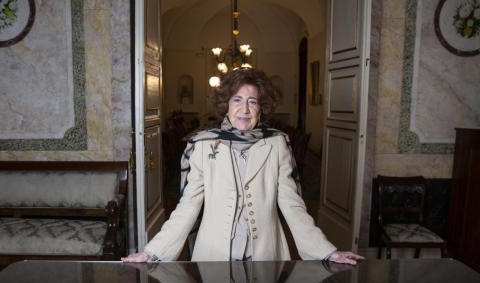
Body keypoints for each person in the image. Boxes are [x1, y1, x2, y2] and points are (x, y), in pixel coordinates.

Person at [122, 68, 364, 265]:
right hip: (213, 256)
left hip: (267, 255)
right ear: (226, 104)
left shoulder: (277, 143)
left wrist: (327, 252)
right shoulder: (203, 144)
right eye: (237, 100)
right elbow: (188, 206)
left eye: (252, 101)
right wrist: (153, 252)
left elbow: (292, 205)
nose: (244, 110)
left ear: (261, 107)